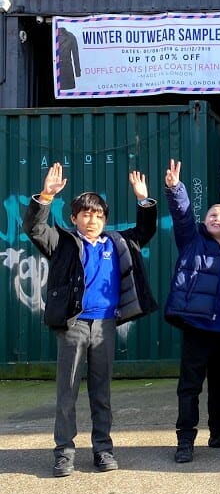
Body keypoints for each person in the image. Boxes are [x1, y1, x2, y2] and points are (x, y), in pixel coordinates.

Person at [22, 162, 157, 477]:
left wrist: (143, 200)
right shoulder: (63, 242)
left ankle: (103, 449)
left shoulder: (118, 243)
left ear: (105, 219)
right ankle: (64, 452)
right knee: (67, 390)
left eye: (98, 215)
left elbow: (145, 230)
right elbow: (34, 228)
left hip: (105, 325)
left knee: (101, 390)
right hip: (74, 325)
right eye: (85, 214)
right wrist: (45, 196)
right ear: (74, 218)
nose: (92, 219)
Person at [163, 159, 220, 464]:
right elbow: (183, 216)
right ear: (205, 220)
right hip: (198, 327)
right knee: (189, 386)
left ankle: (218, 432)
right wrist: (176, 189)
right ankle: (185, 439)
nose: (218, 218)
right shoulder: (192, 241)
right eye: (212, 214)